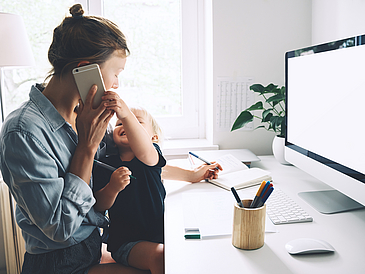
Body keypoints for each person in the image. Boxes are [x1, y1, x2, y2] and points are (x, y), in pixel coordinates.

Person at [0, 4, 147, 274]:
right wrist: (86, 147)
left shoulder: (85, 114)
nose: (116, 84)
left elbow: (140, 157)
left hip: (93, 246)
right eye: (115, 73)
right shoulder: (23, 132)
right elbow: (59, 228)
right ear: (84, 69)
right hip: (60, 263)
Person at [93, 104, 222, 274]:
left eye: (135, 122)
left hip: (160, 234)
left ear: (153, 139)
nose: (125, 124)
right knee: (162, 257)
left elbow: (159, 168)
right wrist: (113, 188)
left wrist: (193, 175)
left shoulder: (151, 154)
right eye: (119, 123)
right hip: (126, 243)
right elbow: (100, 206)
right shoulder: (107, 165)